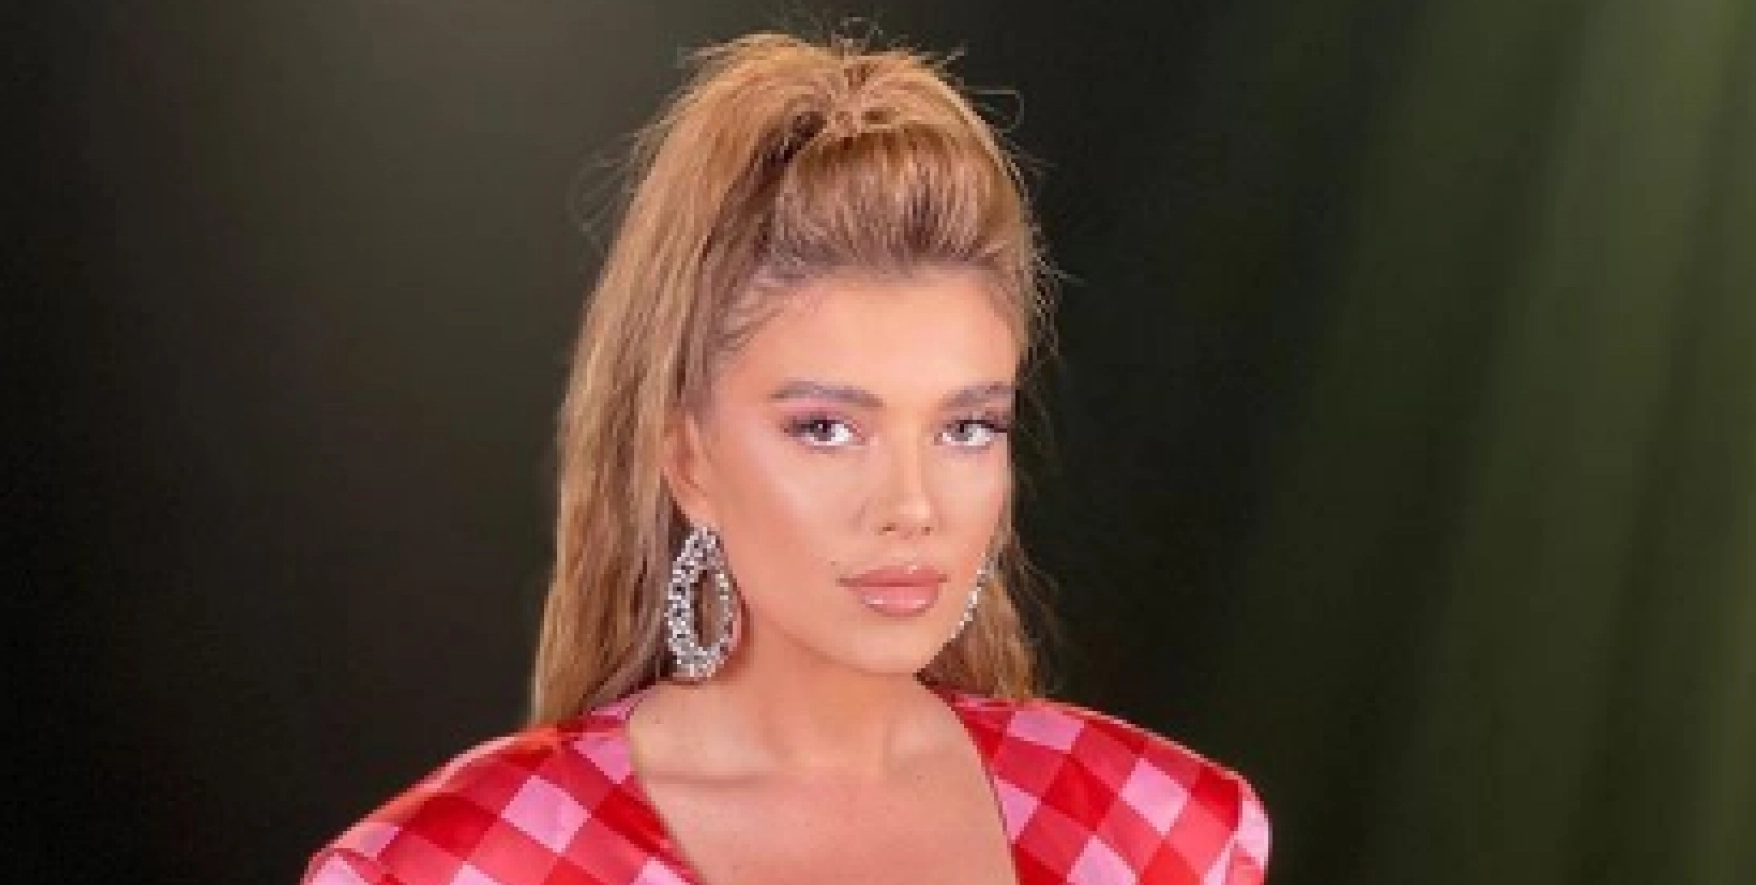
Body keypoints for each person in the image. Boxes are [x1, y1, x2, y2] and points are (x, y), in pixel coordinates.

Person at [302, 30, 1269, 885]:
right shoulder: (456, 866)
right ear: (688, 461)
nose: (911, 505)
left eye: (965, 427)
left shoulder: (1161, 834)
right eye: (826, 428)